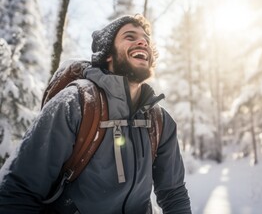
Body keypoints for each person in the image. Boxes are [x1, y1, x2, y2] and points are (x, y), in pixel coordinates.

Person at [0, 14, 192, 214]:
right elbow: (17, 190)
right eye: (130, 36)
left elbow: (174, 193)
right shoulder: (75, 103)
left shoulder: (160, 121)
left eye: (145, 38)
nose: (143, 41)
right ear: (108, 54)